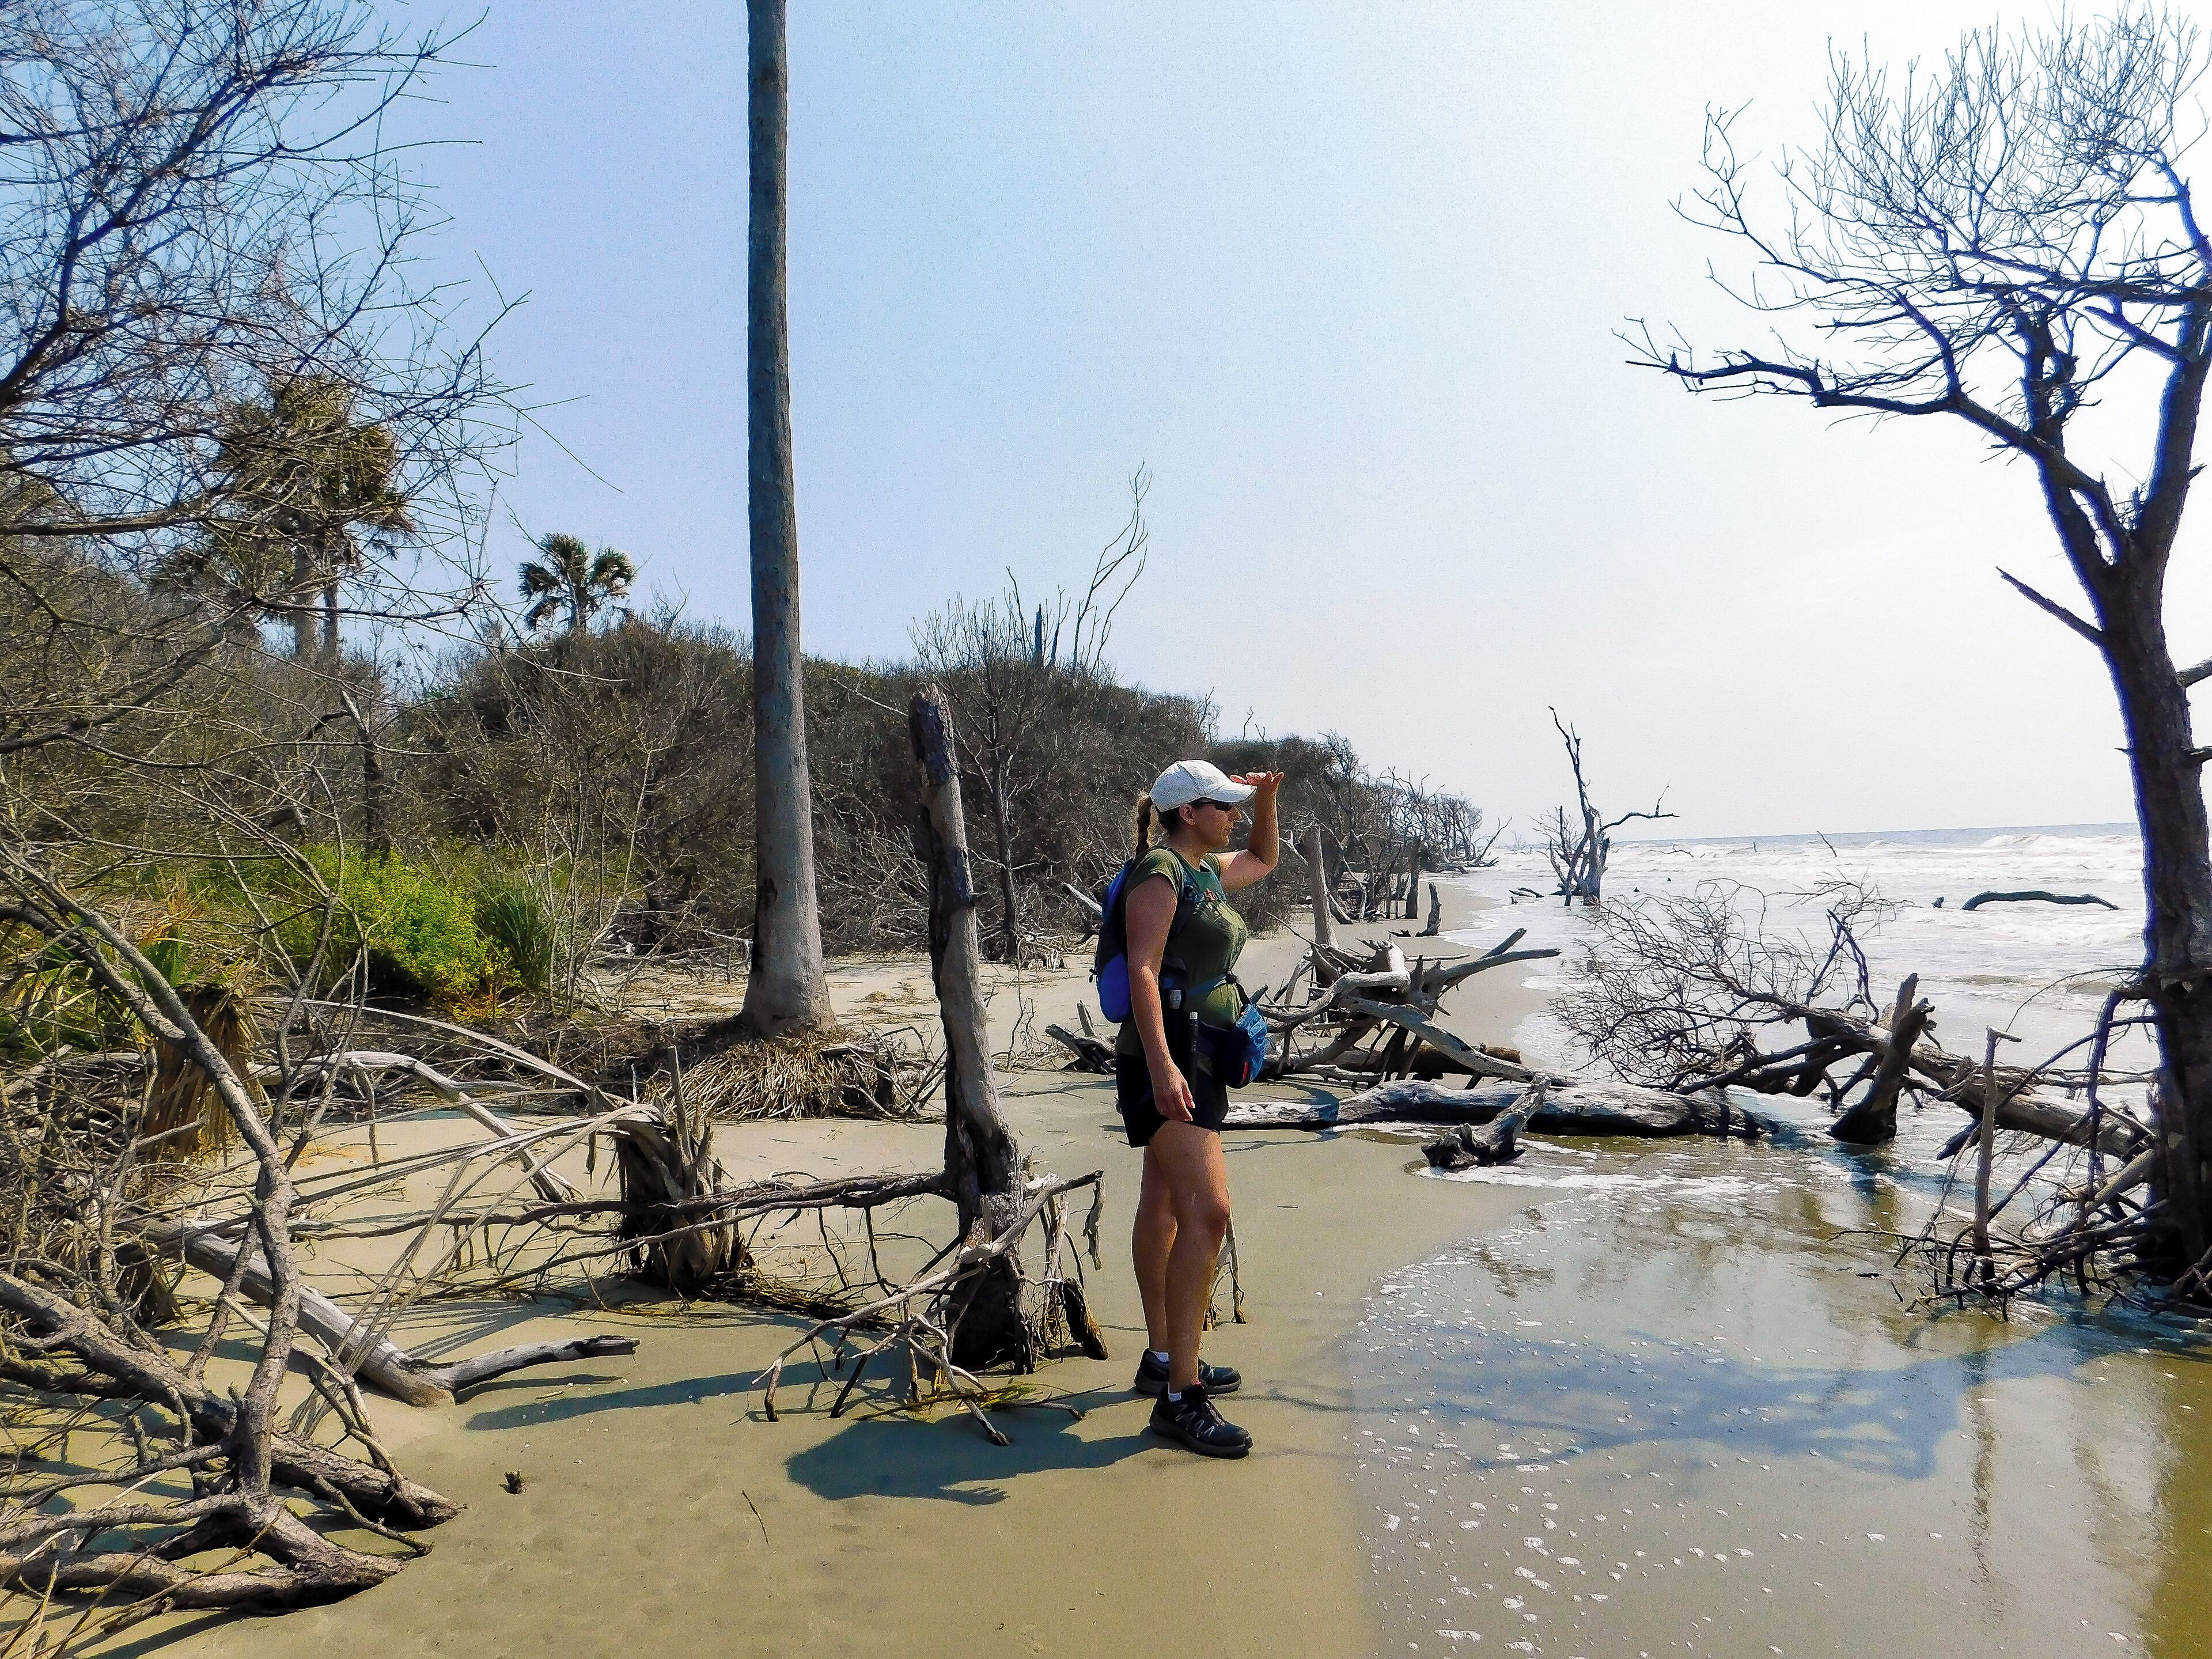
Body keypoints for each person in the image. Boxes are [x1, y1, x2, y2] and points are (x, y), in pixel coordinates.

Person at [1115, 758, 1282, 1457]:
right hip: (1170, 1060)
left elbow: (1266, 858)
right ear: (1190, 813)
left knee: (1163, 1207)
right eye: (1226, 806)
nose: (1234, 816)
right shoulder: (1160, 872)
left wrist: (1267, 798)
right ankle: (1183, 1398)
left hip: (1199, 1055)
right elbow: (1145, 970)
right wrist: (1159, 1067)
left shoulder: (1205, 872)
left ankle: (1164, 1357)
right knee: (1209, 1212)